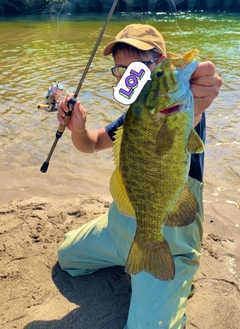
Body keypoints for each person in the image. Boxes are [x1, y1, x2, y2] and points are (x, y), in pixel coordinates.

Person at [57, 24, 222, 329]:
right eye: (120, 70)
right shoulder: (137, 113)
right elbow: (91, 143)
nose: (126, 75)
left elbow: (196, 105)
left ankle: (177, 278)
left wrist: (201, 92)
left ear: (160, 63)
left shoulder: (178, 108)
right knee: (67, 257)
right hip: (120, 227)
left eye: (137, 67)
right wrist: (77, 127)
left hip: (170, 234)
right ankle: (130, 254)